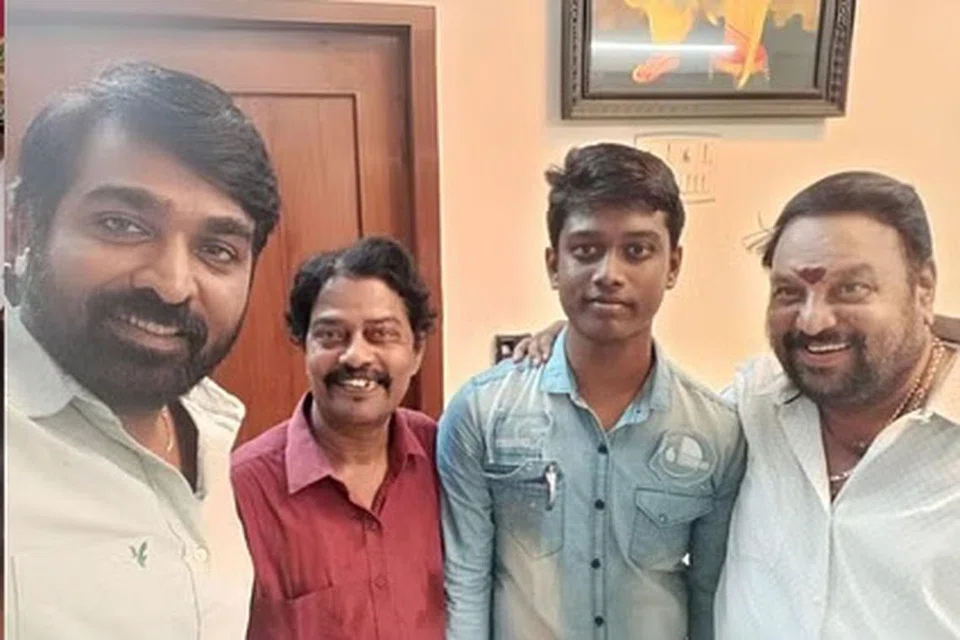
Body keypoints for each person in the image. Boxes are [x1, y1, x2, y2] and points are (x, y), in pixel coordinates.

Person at [516, 171, 960, 639]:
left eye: (851, 289)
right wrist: (583, 340)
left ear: (923, 288)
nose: (813, 321)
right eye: (789, 291)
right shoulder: (754, 406)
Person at [4, 61, 280, 638]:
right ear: (25, 226)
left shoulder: (210, 429)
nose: (172, 284)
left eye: (218, 250)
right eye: (122, 224)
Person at [438, 143, 746, 640]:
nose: (609, 274)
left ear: (673, 265)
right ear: (553, 264)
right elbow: (466, 585)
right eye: (586, 250)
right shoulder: (481, 413)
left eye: (637, 251)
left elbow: (711, 595)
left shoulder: (717, 431)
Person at [232, 236, 445, 640]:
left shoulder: (444, 457)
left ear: (417, 351)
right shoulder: (242, 491)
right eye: (331, 335)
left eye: (381, 334)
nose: (356, 356)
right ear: (304, 346)